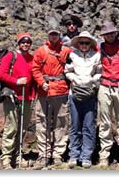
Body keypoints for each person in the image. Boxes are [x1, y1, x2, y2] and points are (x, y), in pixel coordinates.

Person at [31, 27, 72, 169]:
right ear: (48, 35)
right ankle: (44, 154)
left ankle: (58, 154)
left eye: (56, 34)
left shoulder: (66, 51)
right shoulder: (41, 51)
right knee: (42, 122)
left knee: (62, 122)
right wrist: (41, 83)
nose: (54, 37)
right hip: (44, 91)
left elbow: (73, 66)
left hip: (61, 90)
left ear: (59, 36)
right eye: (51, 34)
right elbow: (35, 69)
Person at [0, 32, 36, 170]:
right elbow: (1, 74)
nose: (25, 44)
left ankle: (18, 155)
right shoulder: (11, 56)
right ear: (18, 43)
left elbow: (34, 76)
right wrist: (16, 81)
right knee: (12, 127)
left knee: (22, 128)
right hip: (12, 97)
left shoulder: (32, 58)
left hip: (27, 97)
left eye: (28, 42)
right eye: (23, 42)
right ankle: (6, 159)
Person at [64, 31, 102, 169]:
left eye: (86, 43)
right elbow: (67, 71)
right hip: (74, 93)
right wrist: (74, 79)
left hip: (90, 94)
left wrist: (92, 80)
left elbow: (99, 72)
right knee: (75, 125)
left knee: (89, 126)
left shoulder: (97, 56)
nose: (84, 45)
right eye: (81, 43)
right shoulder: (72, 55)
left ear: (90, 44)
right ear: (78, 44)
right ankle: (74, 154)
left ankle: (86, 156)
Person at [97, 21, 119, 170]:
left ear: (116, 33)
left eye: (112, 33)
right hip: (105, 86)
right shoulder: (99, 48)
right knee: (104, 122)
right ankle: (104, 156)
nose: (110, 36)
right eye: (107, 34)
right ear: (104, 35)